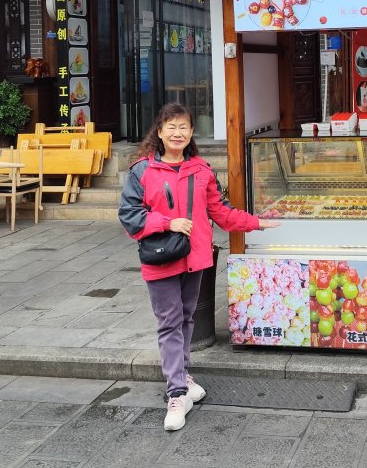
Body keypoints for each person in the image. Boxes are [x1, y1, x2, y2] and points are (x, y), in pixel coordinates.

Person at [119, 103, 280, 431]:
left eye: (184, 128)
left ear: (192, 133)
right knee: (169, 323)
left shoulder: (202, 171)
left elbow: (222, 213)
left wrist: (257, 223)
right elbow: (129, 215)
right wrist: (168, 222)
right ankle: (176, 392)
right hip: (161, 257)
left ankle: (182, 375)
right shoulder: (142, 171)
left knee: (187, 318)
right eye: (171, 127)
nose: (177, 133)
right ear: (160, 132)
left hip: (195, 259)